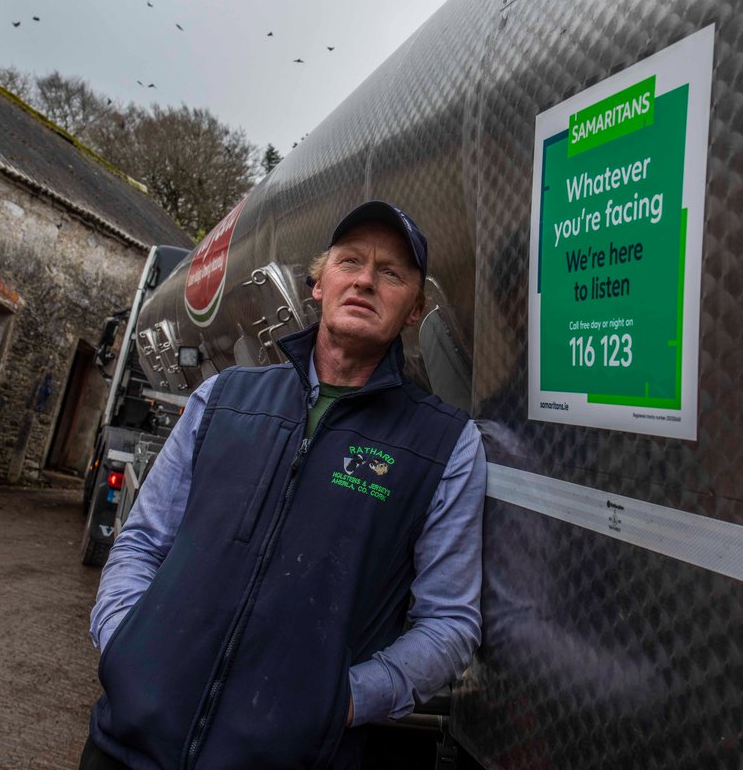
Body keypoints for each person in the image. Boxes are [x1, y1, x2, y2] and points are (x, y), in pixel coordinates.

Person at [81, 201, 486, 770]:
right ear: (319, 285)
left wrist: (341, 702)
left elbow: (449, 622)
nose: (365, 280)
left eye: (391, 272)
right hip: (126, 747)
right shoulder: (222, 399)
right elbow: (143, 541)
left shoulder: (445, 445)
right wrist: (125, 643)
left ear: (416, 309)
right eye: (349, 262)